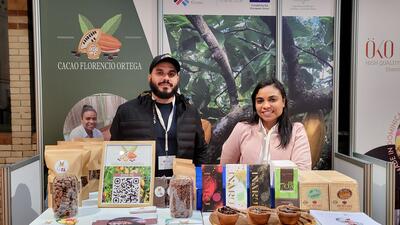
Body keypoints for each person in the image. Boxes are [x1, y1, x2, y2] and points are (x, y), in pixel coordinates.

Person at [110, 53, 209, 177]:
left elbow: (201, 151)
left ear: (177, 79)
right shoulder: (127, 111)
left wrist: (198, 181)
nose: (166, 78)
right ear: (150, 77)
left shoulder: (190, 111)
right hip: (143, 188)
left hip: (181, 187)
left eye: (171, 74)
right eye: (160, 73)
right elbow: (115, 152)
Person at [220, 78, 312, 170]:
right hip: (247, 184)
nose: (266, 106)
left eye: (272, 100)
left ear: (283, 102)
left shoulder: (296, 131)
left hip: (283, 184)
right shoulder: (242, 128)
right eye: (260, 101)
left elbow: (303, 171)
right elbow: (225, 168)